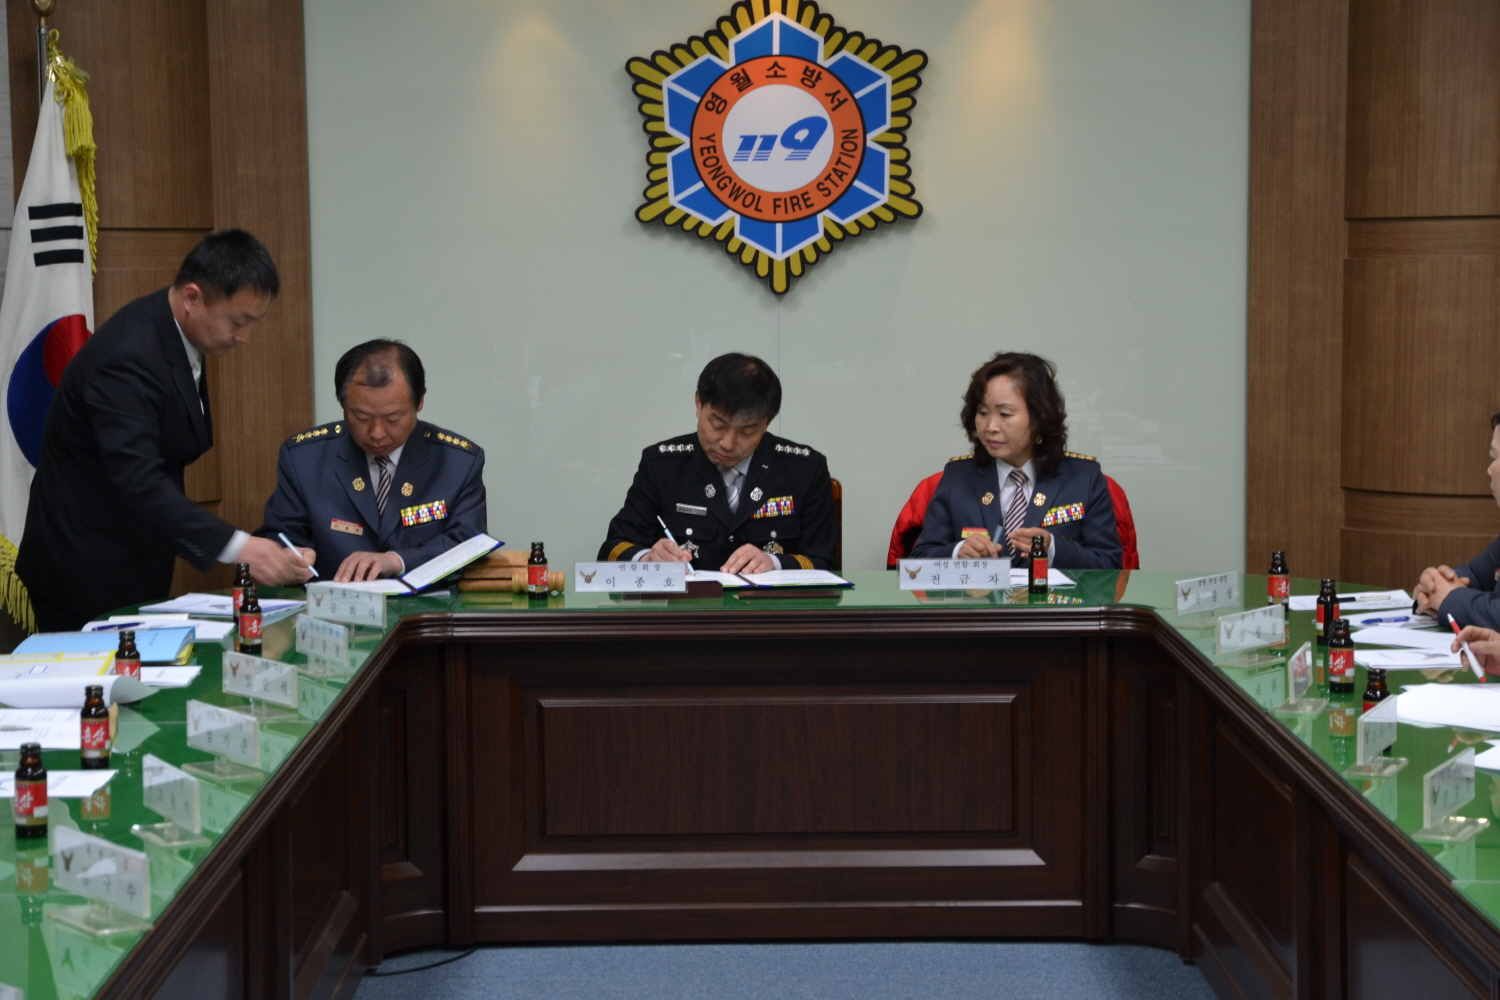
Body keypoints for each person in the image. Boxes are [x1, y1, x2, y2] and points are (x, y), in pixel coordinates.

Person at [16, 230, 313, 632]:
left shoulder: (177, 333)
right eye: (237, 322)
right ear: (192, 297)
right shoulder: (126, 358)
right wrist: (241, 547)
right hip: (83, 566)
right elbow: (138, 479)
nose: (244, 338)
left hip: (134, 550)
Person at [257, 340, 487, 582]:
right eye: (362, 417)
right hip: (332, 600)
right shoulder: (304, 459)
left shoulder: (458, 463)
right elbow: (280, 537)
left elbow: (470, 544)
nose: (377, 433)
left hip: (426, 602)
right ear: (343, 404)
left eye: (393, 419)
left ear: (420, 401)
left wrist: (397, 561)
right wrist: (289, 557)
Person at [599, 353, 837, 573]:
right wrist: (647, 559)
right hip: (687, 604)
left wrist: (775, 563)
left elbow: (825, 562)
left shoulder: (804, 471)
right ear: (698, 403)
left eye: (746, 431)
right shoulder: (662, 466)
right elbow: (613, 549)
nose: (727, 443)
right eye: (718, 424)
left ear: (767, 423)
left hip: (767, 605)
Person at [910, 351, 1121, 568]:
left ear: (1040, 417)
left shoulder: (1083, 479)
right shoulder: (957, 478)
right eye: (982, 413)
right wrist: (956, 553)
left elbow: (1110, 566)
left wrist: (1052, 550)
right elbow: (917, 562)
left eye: (1005, 414)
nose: (990, 427)